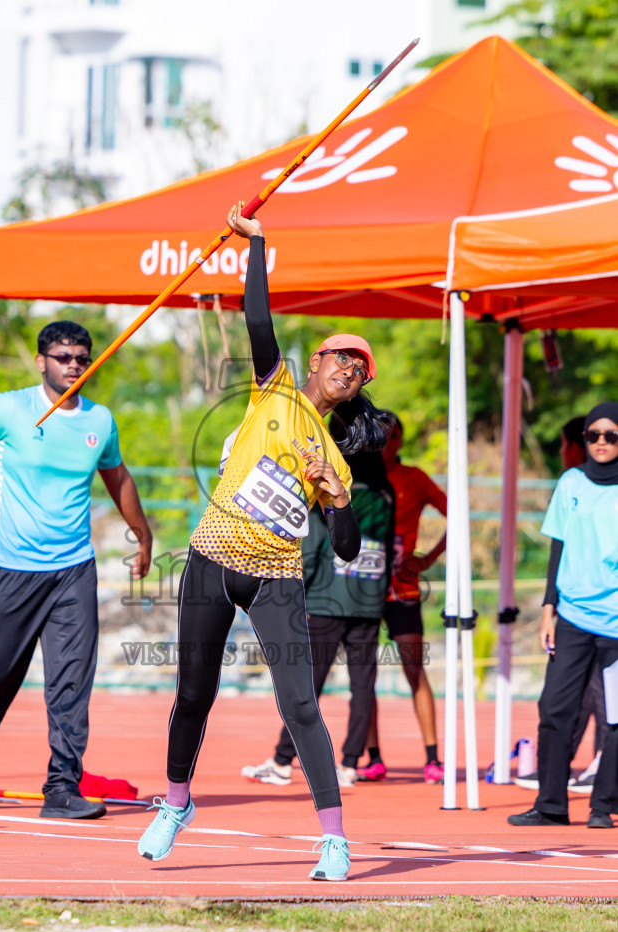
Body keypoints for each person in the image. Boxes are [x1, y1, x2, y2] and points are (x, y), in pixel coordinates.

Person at [137, 202, 385, 881]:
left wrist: (336, 499)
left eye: (360, 372)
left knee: (299, 704)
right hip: (214, 559)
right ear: (318, 362)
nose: (351, 371)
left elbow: (341, 547)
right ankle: (178, 803)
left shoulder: (333, 461)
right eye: (343, 359)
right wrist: (257, 246)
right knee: (193, 694)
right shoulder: (274, 390)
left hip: (275, 577)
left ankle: (333, 838)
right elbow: (257, 321)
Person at [0, 321, 152, 819]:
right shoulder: (9, 409)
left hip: (73, 569)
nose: (73, 365)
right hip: (10, 568)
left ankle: (62, 789)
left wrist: (143, 535)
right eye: (62, 357)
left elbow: (117, 479)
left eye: (81, 358)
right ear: (42, 361)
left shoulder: (100, 419)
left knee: (72, 682)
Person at [241, 443, 395, 788]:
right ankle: (351, 763)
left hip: (327, 598)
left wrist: (299, 593)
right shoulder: (387, 495)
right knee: (363, 685)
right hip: (369, 599)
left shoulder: (334, 492)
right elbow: (389, 543)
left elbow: (312, 547)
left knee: (308, 684)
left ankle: (283, 760)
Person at [508, 402, 618, 828]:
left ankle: (603, 806)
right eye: (594, 436)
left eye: (611, 436)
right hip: (572, 617)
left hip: (615, 626)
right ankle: (551, 805)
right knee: (554, 709)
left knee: (615, 718)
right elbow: (558, 548)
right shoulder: (571, 482)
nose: (602, 443)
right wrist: (549, 608)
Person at [357, 411, 447, 784]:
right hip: (360, 587)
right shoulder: (355, 478)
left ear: (401, 442)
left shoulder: (414, 479)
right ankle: (373, 757)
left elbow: (457, 515)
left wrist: (428, 557)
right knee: (363, 675)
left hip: (403, 589)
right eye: (381, 436)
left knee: (414, 669)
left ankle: (432, 759)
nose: (387, 443)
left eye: (394, 436)